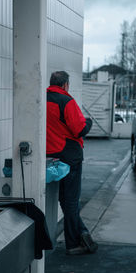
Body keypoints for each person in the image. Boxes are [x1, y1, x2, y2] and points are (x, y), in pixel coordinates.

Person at [46, 71, 98, 255]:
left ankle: (81, 233)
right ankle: (73, 243)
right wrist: (89, 122)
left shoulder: (42, 99)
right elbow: (79, 130)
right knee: (71, 201)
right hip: (70, 158)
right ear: (65, 85)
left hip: (50, 157)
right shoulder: (66, 101)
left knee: (63, 199)